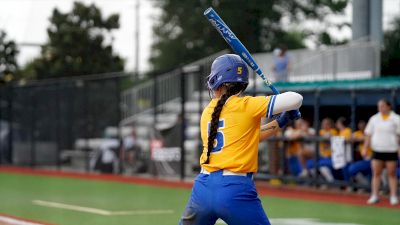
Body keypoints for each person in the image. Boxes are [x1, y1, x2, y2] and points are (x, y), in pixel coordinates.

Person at [179, 54, 303, 225]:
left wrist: (280, 122)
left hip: (203, 188)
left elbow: (250, 138)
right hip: (235, 188)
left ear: (216, 81)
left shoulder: (208, 111)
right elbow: (296, 98)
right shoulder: (247, 105)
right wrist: (290, 107)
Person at [363, 99, 400, 205]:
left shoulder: (396, 119)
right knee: (376, 173)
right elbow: (368, 134)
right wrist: (365, 148)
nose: (381, 108)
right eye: (379, 106)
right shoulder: (374, 119)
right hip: (377, 150)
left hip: (391, 150)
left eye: (383, 106)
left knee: (392, 174)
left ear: (389, 107)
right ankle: (374, 195)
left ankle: (393, 196)